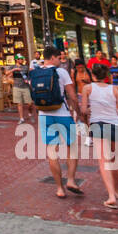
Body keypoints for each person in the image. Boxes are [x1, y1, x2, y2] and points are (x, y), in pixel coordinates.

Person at [32, 46, 83, 199]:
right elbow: (72, 96)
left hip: (44, 114)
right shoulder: (61, 72)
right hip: (62, 114)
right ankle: (72, 180)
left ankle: (60, 188)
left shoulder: (36, 72)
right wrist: (78, 113)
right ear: (53, 57)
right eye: (59, 58)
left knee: (52, 151)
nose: (61, 61)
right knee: (72, 147)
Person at [80, 62, 118, 208]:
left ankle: (111, 196)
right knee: (115, 159)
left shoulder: (87, 88)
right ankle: (117, 190)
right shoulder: (115, 89)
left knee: (103, 160)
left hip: (97, 124)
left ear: (92, 75)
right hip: (115, 124)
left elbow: (83, 109)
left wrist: (90, 109)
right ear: (106, 76)